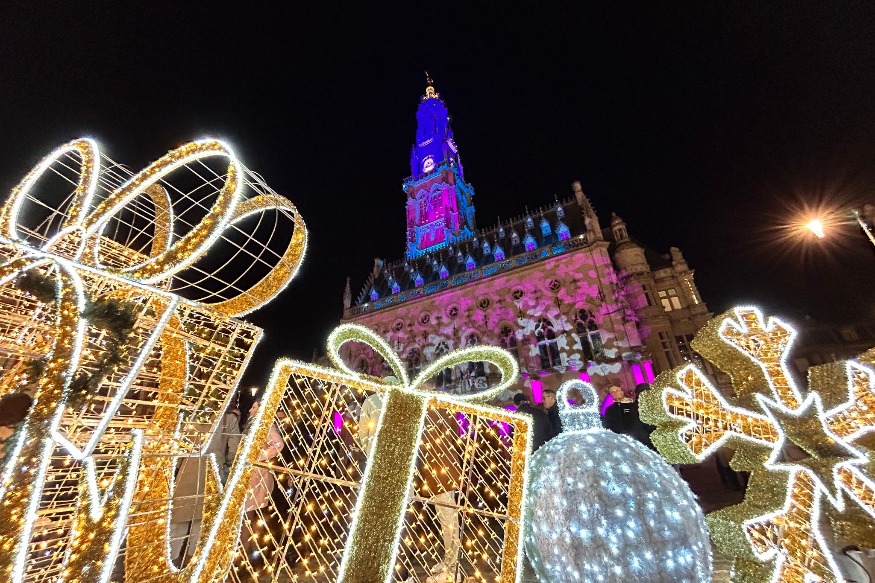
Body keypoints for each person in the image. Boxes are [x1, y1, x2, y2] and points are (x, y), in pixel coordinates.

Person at [170, 399, 241, 565]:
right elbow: (235, 447)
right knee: (201, 523)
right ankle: (190, 564)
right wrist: (227, 466)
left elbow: (178, 445)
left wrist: (178, 467)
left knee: (179, 520)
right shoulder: (227, 419)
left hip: (187, 470)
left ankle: (172, 561)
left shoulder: (190, 416)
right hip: (213, 472)